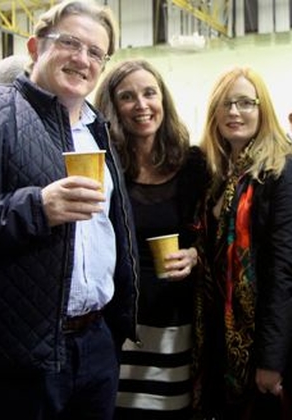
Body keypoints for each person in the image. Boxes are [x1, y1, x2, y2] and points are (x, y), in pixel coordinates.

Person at [0, 1, 140, 419]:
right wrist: (36, 208)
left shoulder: (98, 131)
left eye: (96, 52)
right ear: (34, 46)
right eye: (70, 43)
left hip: (95, 345)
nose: (83, 58)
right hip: (4, 358)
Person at [192, 66, 292, 419]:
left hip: (265, 341)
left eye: (245, 102)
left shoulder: (286, 172)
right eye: (225, 104)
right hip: (220, 336)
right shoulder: (219, 175)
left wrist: (271, 360)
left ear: (263, 109)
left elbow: (286, 273)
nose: (234, 112)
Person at [94, 59, 209, 419]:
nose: (141, 105)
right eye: (127, 97)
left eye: (149, 93)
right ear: (113, 108)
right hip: (118, 323)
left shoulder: (193, 164)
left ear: (164, 100)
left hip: (174, 322)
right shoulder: (105, 166)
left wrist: (194, 254)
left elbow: (210, 236)